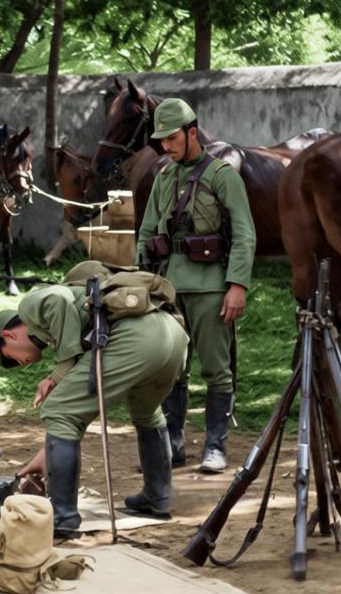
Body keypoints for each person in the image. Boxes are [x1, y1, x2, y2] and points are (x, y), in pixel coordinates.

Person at [0, 284, 188, 538]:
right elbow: (83, 403)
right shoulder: (63, 325)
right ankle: (157, 498)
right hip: (171, 335)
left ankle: (63, 517)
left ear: (10, 335)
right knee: (147, 411)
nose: (18, 363)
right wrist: (46, 452)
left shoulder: (30, 306)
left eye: (10, 357)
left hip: (136, 339)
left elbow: (57, 299)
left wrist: (58, 375)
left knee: (59, 409)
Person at [137, 99, 256, 473]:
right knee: (172, 368)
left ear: (191, 133)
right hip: (169, 289)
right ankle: (174, 445)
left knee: (216, 369)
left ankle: (215, 447)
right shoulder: (163, 177)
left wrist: (237, 285)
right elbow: (146, 232)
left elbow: (244, 234)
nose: (166, 147)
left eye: (171, 138)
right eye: (161, 141)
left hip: (210, 286)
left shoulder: (223, 176)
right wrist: (143, 279)